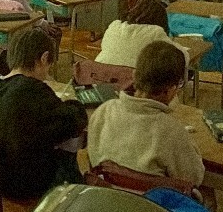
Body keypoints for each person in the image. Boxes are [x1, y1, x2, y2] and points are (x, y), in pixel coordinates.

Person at [0, 28, 87, 200]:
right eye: (49, 66)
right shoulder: (33, 91)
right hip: (22, 188)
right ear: (44, 58)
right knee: (70, 144)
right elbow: (74, 120)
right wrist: (73, 102)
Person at [88, 40, 205, 187]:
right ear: (171, 89)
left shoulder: (103, 111)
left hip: (106, 195)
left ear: (134, 75)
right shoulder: (172, 131)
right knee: (207, 194)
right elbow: (194, 178)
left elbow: (93, 158)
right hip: (150, 200)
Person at [95, 0, 189, 68]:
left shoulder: (114, 26)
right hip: (133, 84)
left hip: (100, 79)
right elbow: (181, 57)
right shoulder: (155, 32)